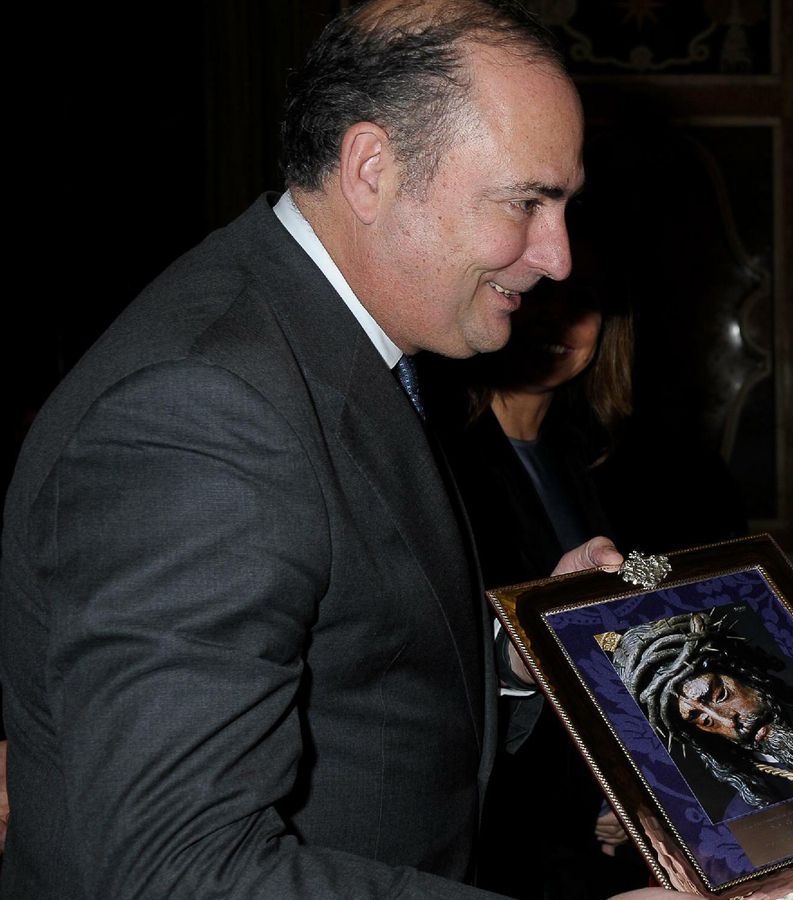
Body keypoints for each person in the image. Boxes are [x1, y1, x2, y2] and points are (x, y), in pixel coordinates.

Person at [0, 1, 625, 896]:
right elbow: (179, 873)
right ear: (372, 170)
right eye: (527, 201)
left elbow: (351, 677)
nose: (558, 257)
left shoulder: (334, 343)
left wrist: (519, 654)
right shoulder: (202, 410)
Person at [430, 249, 647, 898]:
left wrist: (631, 790)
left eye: (583, 303)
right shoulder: (444, 453)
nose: (560, 320)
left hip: (585, 822)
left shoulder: (600, 457)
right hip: (495, 822)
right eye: (542, 294)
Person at [611, 610, 793, 820]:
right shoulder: (746, 812)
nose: (729, 722)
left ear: (742, 671)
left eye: (720, 695)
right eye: (704, 720)